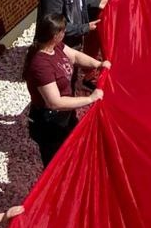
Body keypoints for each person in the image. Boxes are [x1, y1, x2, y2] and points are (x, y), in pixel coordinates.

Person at [24, 13, 106, 167]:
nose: (65, 33)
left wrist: (98, 64)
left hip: (64, 117)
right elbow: (54, 102)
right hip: (50, 124)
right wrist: (90, 99)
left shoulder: (57, 47)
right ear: (55, 35)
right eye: (62, 31)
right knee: (56, 164)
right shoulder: (41, 65)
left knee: (74, 151)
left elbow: (74, 56)